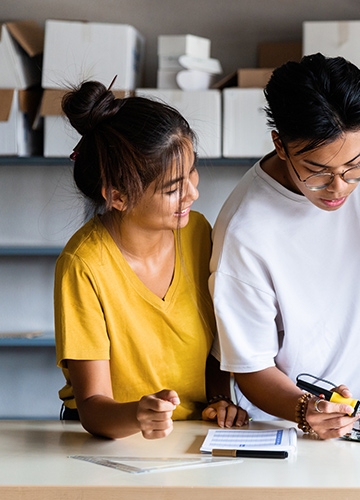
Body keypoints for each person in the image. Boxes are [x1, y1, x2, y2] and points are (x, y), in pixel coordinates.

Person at [210, 53, 360, 440]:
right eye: (318, 173)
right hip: (287, 426)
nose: (340, 188)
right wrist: (305, 411)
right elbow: (250, 367)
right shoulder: (244, 230)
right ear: (280, 145)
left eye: (354, 167)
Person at [54, 80, 247, 440]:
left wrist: (221, 397)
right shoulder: (83, 265)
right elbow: (94, 408)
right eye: (173, 188)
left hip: (193, 436)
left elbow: (217, 344)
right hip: (112, 441)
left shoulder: (198, 233)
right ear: (118, 197)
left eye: (192, 171)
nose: (193, 192)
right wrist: (139, 416)